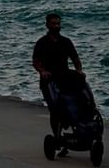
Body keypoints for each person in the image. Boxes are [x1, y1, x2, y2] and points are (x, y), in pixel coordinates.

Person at [32, 12, 84, 150]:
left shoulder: (66, 42)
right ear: (47, 25)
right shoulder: (42, 42)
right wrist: (42, 71)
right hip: (49, 81)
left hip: (65, 78)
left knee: (75, 104)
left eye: (58, 23)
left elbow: (75, 59)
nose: (56, 26)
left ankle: (77, 132)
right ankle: (57, 136)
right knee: (55, 109)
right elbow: (36, 61)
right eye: (53, 23)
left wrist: (79, 71)